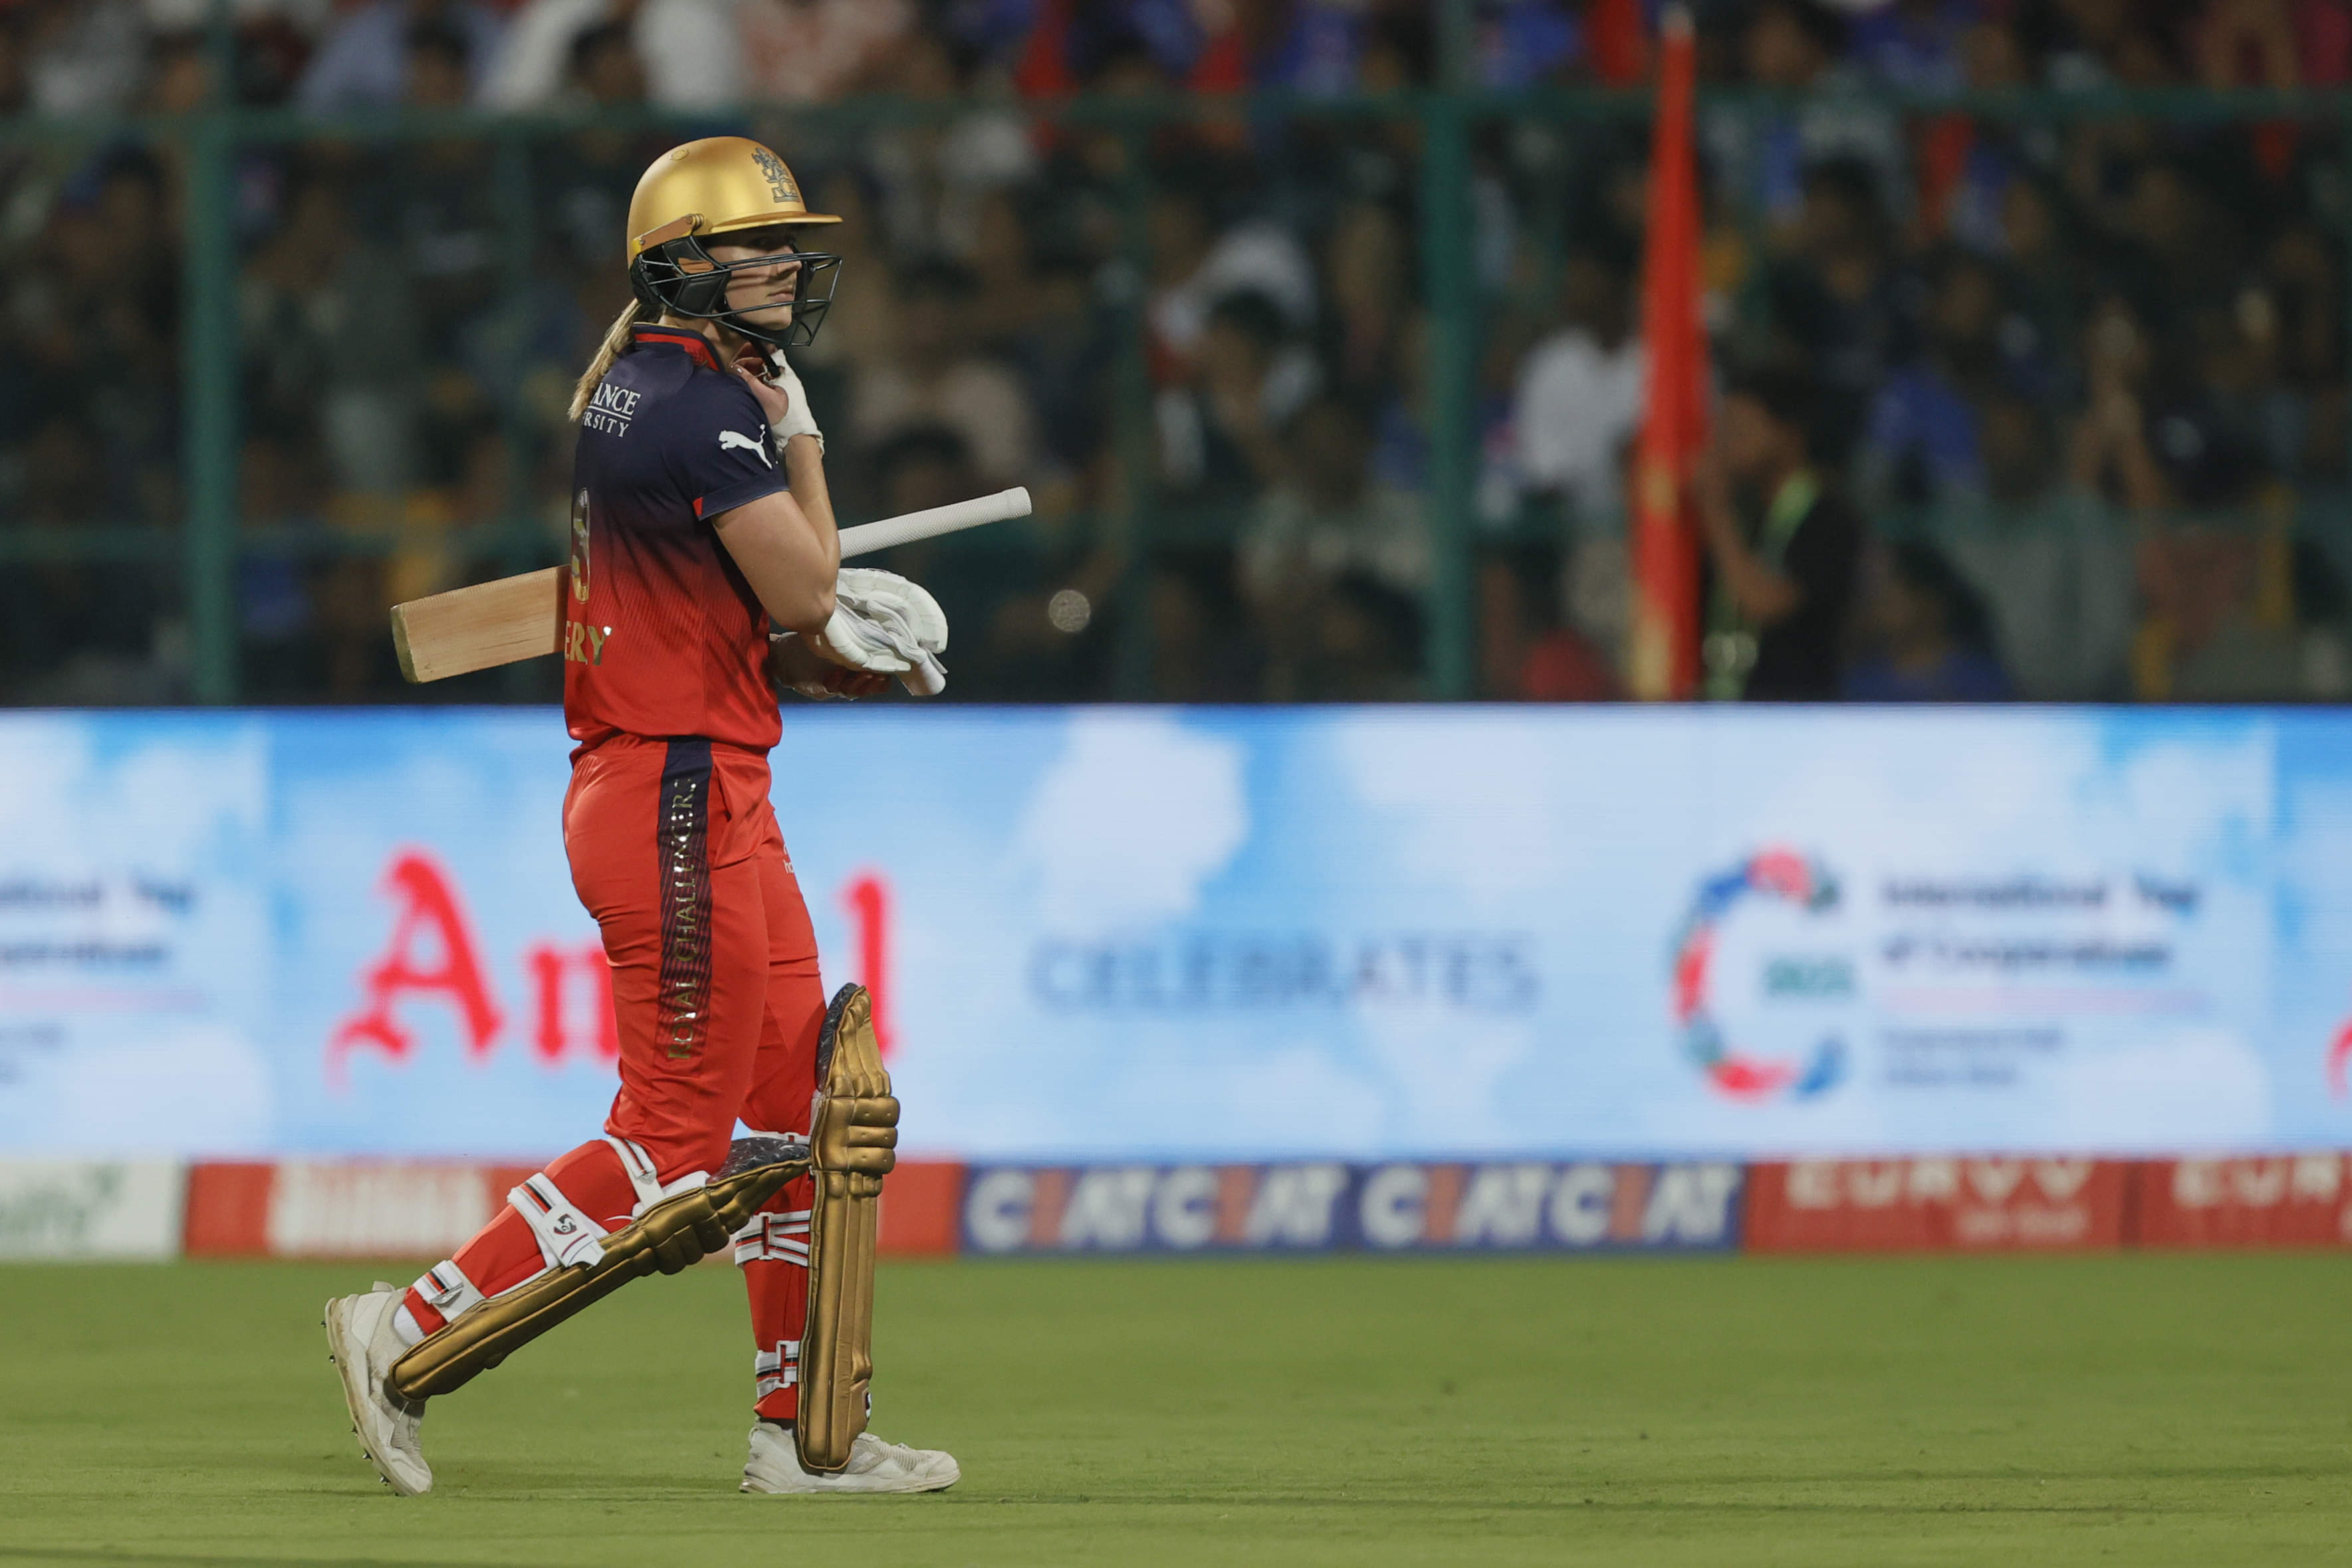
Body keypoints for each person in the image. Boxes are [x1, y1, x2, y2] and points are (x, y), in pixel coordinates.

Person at [322, 136, 959, 1498]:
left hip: (705, 770)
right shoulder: (701, 408)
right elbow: (797, 590)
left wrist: (839, 651)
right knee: (674, 1136)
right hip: (672, 788)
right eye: (755, 247)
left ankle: (801, 1437)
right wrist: (805, 440)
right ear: (681, 262)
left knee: (794, 1110)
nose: (786, 266)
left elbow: (753, 625)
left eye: (790, 244)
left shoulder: (647, 384)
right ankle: (404, 1325)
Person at [1695, 366, 1865, 701]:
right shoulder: (1748, 515)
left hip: (1796, 719)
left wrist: (1715, 512)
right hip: (1726, 714)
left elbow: (1764, 602)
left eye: (1741, 430)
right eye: (1724, 430)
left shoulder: (1828, 517)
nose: (1726, 444)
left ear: (1789, 435)